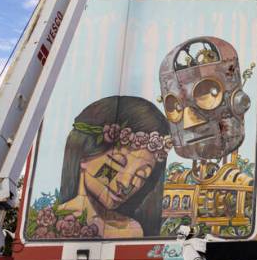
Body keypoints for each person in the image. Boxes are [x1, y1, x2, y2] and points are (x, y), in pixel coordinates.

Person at [29, 96, 172, 240]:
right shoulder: (45, 225)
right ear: (84, 154)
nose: (126, 183)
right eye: (116, 163)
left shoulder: (133, 230)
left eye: (141, 176)